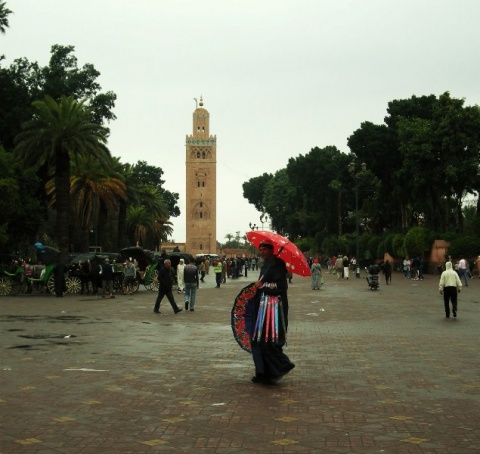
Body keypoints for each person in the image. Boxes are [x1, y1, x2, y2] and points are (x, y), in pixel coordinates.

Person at [251, 239, 295, 384]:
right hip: (263, 308)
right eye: (260, 249)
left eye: (264, 249)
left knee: (269, 340)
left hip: (273, 310)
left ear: (271, 250)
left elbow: (280, 287)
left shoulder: (277, 265)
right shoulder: (266, 265)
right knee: (258, 340)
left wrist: (262, 287)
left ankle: (281, 366)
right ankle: (262, 373)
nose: (261, 252)